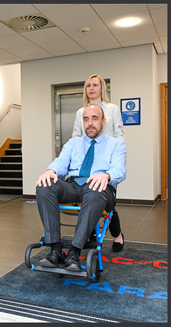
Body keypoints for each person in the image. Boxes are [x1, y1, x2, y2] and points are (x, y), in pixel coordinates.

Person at [36, 104, 126, 271]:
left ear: (104, 121)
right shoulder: (73, 143)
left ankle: (74, 252)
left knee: (96, 189)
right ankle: (55, 250)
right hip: (73, 185)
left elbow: (120, 170)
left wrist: (106, 175)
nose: (90, 123)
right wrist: (51, 170)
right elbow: (61, 162)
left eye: (94, 118)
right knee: (45, 184)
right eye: (86, 119)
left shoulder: (115, 144)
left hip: (99, 186)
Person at [72, 74, 125, 252]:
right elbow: (76, 138)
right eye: (88, 85)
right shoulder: (81, 112)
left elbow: (120, 137)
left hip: (107, 162)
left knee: (107, 201)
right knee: (89, 197)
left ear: (102, 88)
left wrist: (117, 163)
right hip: (88, 163)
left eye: (95, 85)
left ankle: (117, 234)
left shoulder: (113, 109)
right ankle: (91, 233)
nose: (91, 88)